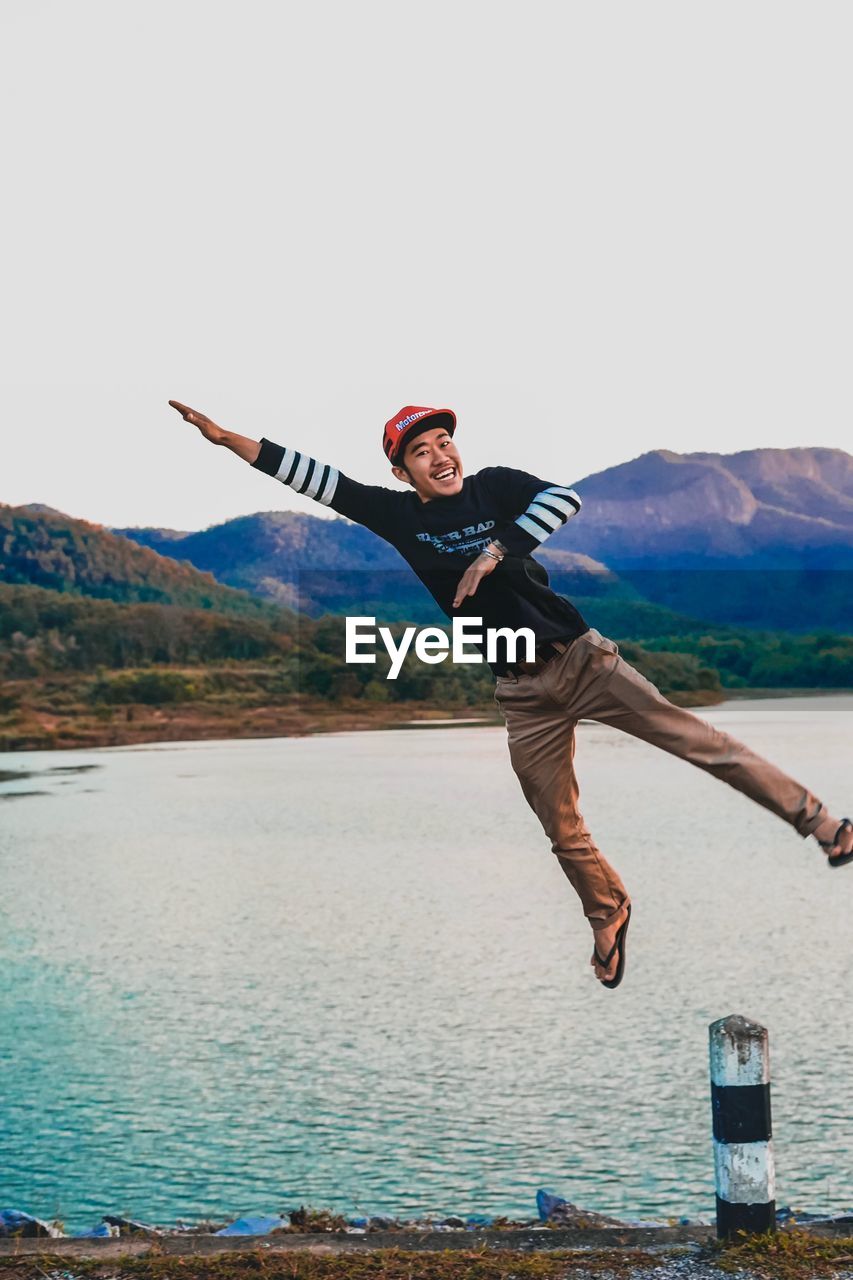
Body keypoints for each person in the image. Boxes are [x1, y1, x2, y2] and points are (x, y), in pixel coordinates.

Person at [169, 399, 853, 988]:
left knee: (704, 745)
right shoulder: (397, 517)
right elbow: (317, 480)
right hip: (519, 690)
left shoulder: (495, 489)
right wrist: (229, 440)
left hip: (581, 660)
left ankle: (822, 824)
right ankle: (608, 911)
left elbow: (564, 499)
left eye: (443, 442)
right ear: (401, 471)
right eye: (420, 450)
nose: (439, 455)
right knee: (557, 825)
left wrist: (496, 551)